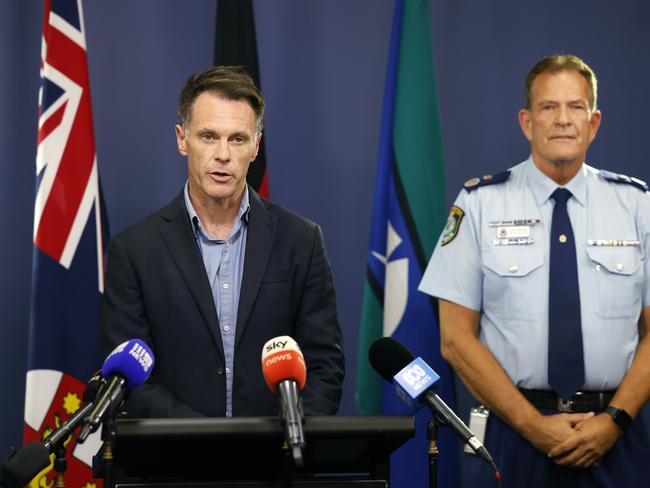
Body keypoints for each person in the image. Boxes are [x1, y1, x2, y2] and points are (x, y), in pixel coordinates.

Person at [419, 54, 650, 487]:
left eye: (576, 107)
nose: (563, 120)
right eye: (549, 107)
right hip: (513, 437)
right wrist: (533, 426)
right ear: (527, 122)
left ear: (594, 123)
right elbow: (454, 340)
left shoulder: (638, 206)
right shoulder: (479, 204)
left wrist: (615, 419)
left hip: (618, 438)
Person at [101, 66, 345, 418]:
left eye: (238, 139)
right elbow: (130, 381)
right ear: (182, 139)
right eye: (208, 136)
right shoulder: (134, 251)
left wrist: (276, 443)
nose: (223, 155)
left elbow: (325, 365)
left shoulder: (301, 240)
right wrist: (208, 445)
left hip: (274, 462)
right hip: (176, 465)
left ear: (256, 146)